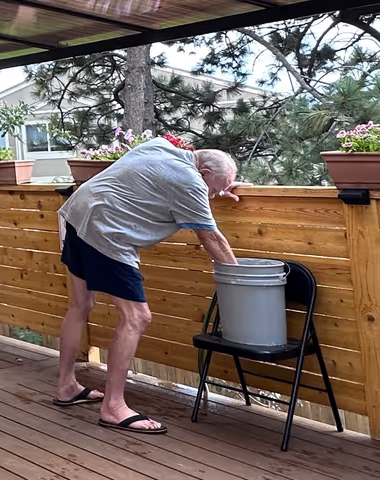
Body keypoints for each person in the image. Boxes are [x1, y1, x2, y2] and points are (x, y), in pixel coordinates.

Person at [53, 137, 242, 434]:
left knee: (81, 304)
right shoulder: (191, 183)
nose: (216, 196)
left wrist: (215, 187)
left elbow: (168, 183)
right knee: (137, 317)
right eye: (215, 189)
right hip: (106, 231)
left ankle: (66, 385)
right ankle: (113, 407)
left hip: (78, 214)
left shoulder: (161, 147)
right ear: (203, 172)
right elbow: (212, 238)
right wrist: (240, 283)